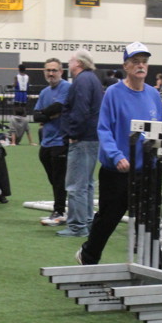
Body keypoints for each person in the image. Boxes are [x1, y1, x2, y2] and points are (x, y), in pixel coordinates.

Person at [76, 41, 162, 265]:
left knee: (151, 219)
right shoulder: (113, 93)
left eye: (144, 62)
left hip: (148, 170)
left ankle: (155, 265)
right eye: (135, 62)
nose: (141, 65)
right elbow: (104, 129)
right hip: (118, 170)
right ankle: (88, 256)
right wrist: (117, 156)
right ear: (126, 66)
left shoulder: (154, 95)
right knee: (108, 219)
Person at [57, 49, 103, 238]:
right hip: (92, 137)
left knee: (76, 185)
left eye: (71, 60)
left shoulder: (82, 81)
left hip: (82, 138)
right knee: (87, 184)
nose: (68, 63)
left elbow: (80, 110)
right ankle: (87, 221)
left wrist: (73, 133)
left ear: (79, 63)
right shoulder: (92, 79)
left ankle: (77, 225)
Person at [34, 58, 71, 226]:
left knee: (59, 179)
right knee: (54, 180)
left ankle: (60, 211)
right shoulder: (44, 92)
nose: (51, 73)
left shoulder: (66, 87)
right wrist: (49, 115)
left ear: (61, 72)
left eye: (54, 70)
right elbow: (36, 116)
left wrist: (45, 114)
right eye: (48, 70)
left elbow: (58, 107)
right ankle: (61, 208)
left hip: (61, 141)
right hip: (46, 142)